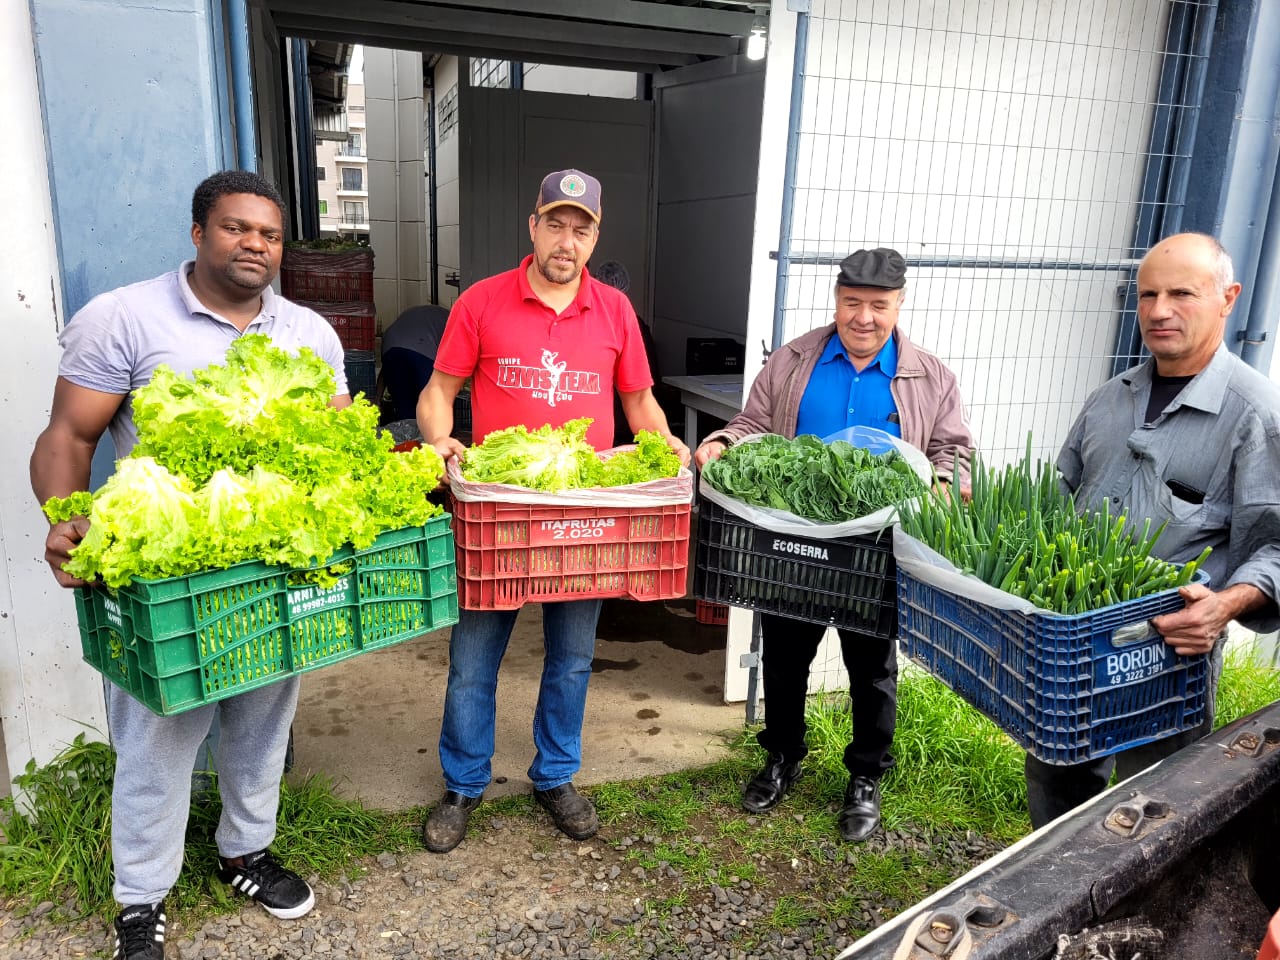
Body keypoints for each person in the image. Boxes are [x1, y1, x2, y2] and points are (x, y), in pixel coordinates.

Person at [29, 171, 350, 960]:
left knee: (262, 722)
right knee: (159, 737)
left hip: (273, 570)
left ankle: (247, 851)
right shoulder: (126, 317)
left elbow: (344, 452)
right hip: (168, 579)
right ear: (200, 233)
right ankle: (140, 899)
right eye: (238, 229)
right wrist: (64, 516)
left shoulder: (309, 333)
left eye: (269, 235)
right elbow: (69, 436)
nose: (256, 246)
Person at [416, 168, 690, 853]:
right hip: (501, 513)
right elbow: (438, 390)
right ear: (533, 225)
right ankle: (462, 784)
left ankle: (556, 775)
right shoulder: (482, 302)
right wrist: (437, 438)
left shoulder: (615, 311)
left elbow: (638, 404)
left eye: (583, 227)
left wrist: (666, 447)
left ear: (596, 236)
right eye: (557, 223)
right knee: (474, 657)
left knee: (571, 657)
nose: (568, 240)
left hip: (585, 513)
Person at [694, 247, 973, 842]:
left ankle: (866, 776)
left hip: (876, 550)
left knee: (871, 666)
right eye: (852, 303)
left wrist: (947, 482)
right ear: (837, 300)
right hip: (794, 539)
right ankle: (781, 755)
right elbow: (752, 425)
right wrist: (721, 442)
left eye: (878, 305)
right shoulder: (795, 360)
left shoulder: (930, 375)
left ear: (899, 305)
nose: (864, 317)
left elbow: (953, 450)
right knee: (785, 654)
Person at [1024, 232, 1280, 828]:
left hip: (1167, 655)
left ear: (1228, 298)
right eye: (1148, 295)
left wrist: (1224, 606)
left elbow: (1276, 543)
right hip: (1076, 644)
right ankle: (1055, 890)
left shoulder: (1256, 415)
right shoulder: (1110, 399)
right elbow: (1058, 500)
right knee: (1056, 771)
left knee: (1154, 800)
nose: (1159, 311)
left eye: (1182, 294)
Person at [380, 303, 450, 422]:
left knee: (404, 407)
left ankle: (408, 438)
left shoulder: (428, 314)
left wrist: (378, 396)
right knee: (433, 405)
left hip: (390, 346)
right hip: (422, 348)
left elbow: (385, 370)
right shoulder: (455, 319)